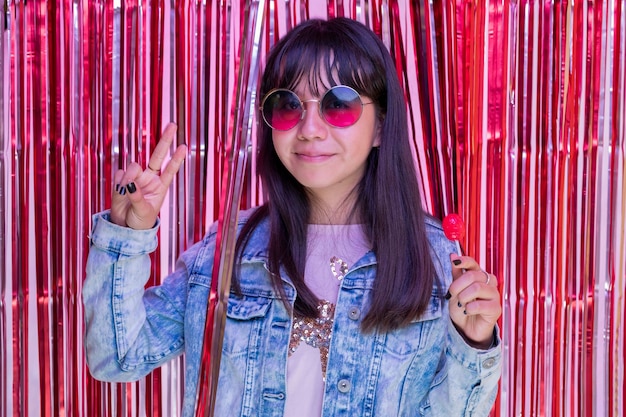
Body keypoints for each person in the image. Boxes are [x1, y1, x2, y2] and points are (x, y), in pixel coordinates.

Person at [83, 17, 502, 417]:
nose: (309, 128)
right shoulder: (231, 251)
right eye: (287, 105)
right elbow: (118, 357)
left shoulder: (431, 257)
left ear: (380, 127)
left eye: (339, 105)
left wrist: (476, 341)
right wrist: (128, 234)